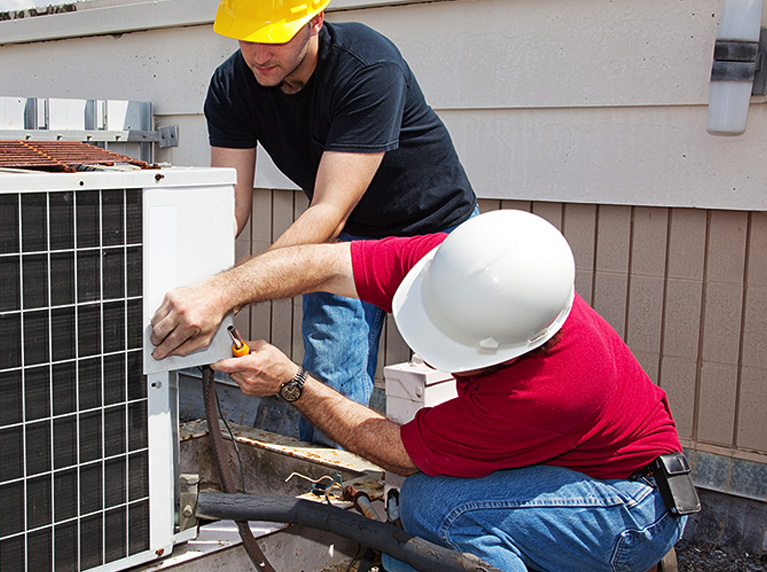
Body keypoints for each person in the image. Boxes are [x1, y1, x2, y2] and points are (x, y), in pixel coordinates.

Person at [150, 210, 694, 572]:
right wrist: (220, 291)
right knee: (415, 548)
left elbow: (402, 453)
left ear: (508, 348)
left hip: (630, 506)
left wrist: (292, 383)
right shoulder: (458, 265)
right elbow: (321, 263)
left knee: (436, 508)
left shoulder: (549, 387)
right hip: (578, 467)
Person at [204, 0, 477, 440]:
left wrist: (232, 288)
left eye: (274, 37)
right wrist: (197, 281)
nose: (258, 54)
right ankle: (332, 496)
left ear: (315, 20)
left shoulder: (367, 65)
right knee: (328, 382)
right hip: (349, 240)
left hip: (437, 232)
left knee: (468, 380)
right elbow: (231, 209)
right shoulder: (232, 86)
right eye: (247, 36)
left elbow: (330, 210)